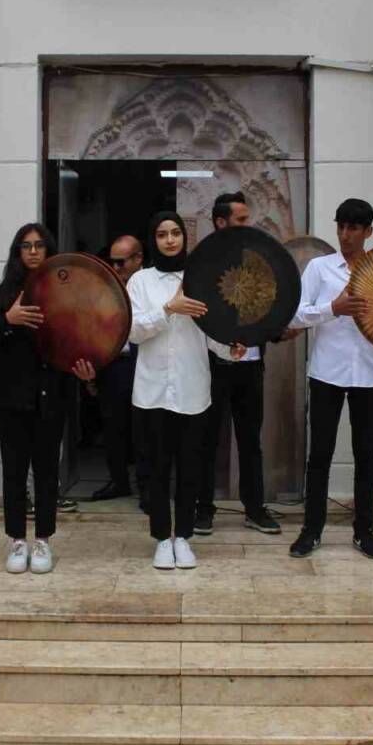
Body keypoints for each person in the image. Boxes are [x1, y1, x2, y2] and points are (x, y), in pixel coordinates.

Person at [0, 224, 93, 574]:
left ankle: (43, 541)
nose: (33, 252)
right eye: (26, 246)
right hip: (11, 398)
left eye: (39, 245)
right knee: (13, 472)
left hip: (53, 396)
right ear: (17, 252)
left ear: (50, 252)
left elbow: (82, 342)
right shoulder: (3, 295)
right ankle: (16, 541)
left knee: (47, 473)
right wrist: (8, 319)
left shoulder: (69, 294)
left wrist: (86, 371)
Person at [286, 199, 373, 561]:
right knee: (319, 455)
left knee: (365, 456)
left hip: (369, 375)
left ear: (368, 232)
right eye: (340, 227)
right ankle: (311, 530)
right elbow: (294, 317)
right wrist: (330, 309)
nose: (345, 235)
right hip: (326, 374)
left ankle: (364, 532)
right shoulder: (319, 269)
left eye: (354, 228)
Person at [128, 212, 217, 570]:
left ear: (184, 237)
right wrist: (169, 308)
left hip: (193, 387)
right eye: (162, 234)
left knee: (191, 467)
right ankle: (162, 538)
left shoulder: (202, 278)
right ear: (154, 239)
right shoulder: (140, 281)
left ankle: (184, 537)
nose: (169, 240)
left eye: (175, 233)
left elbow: (215, 329)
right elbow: (131, 331)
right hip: (151, 391)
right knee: (156, 469)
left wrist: (233, 349)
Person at [195, 192, 281, 537]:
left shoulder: (257, 259)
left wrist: (273, 330)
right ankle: (203, 509)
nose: (249, 225)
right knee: (206, 439)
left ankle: (255, 509)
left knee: (250, 441)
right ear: (221, 222)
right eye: (242, 219)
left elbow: (269, 305)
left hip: (251, 364)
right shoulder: (203, 263)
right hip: (212, 364)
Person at [85, 233, 146, 504]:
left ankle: (148, 489)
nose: (116, 268)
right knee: (113, 427)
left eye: (121, 263)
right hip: (113, 365)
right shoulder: (105, 285)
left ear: (138, 259)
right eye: (112, 262)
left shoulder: (150, 284)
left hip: (145, 363)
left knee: (145, 429)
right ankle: (119, 481)